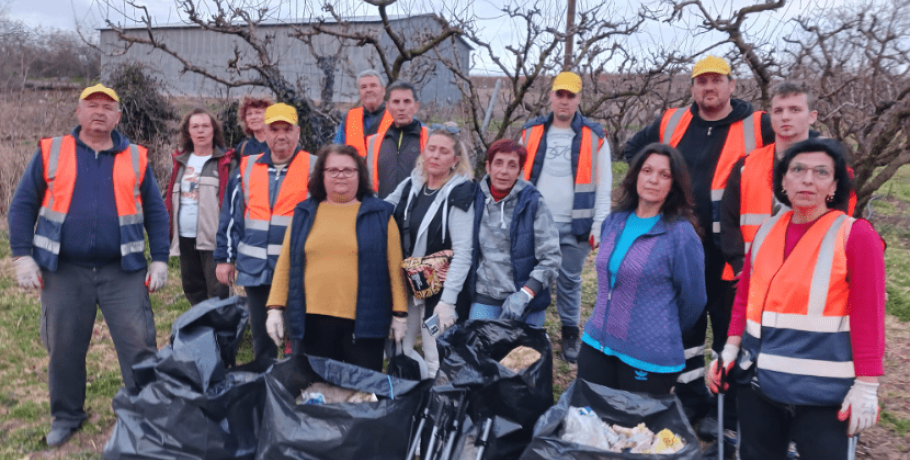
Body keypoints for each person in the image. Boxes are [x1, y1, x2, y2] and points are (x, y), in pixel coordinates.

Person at [7, 84, 169, 447]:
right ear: (78, 112)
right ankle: (67, 416)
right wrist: (22, 256)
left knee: (139, 345)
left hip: (122, 270)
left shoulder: (137, 158)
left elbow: (157, 214)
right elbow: (21, 207)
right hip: (63, 269)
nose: (99, 112)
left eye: (107, 107)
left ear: (118, 117)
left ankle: (144, 416)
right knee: (63, 347)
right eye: (91, 105)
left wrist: (159, 259)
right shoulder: (52, 151)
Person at [709, 138, 885, 460]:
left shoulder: (856, 236)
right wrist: (731, 348)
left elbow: (868, 316)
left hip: (823, 394)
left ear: (834, 186)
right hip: (759, 384)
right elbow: (745, 298)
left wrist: (867, 385)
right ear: (783, 181)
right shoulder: (765, 232)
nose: (807, 179)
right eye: (798, 170)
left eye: (821, 172)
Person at [624, 56, 774, 424]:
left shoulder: (759, 125)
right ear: (693, 87)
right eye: (701, 81)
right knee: (685, 330)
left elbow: (806, 155)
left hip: (732, 253)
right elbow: (634, 151)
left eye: (716, 81)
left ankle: (726, 411)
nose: (709, 88)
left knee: (729, 334)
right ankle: (690, 401)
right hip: (678, 247)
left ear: (731, 85)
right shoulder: (673, 120)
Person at [263, 144, 408, 371]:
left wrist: (400, 314)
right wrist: (275, 309)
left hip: (364, 325)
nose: (340, 175)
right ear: (322, 175)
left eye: (348, 170)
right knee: (314, 391)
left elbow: (395, 267)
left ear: (360, 175)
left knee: (361, 393)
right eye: (333, 170)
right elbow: (285, 264)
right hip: (310, 322)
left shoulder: (380, 215)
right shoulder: (304, 213)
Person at [577, 143, 707, 395]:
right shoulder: (614, 222)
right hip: (597, 343)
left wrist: (660, 328)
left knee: (632, 432)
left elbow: (693, 301)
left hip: (647, 356)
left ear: (674, 184)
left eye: (664, 175)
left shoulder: (680, 235)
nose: (653, 180)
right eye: (647, 170)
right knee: (587, 424)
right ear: (636, 174)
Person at [519, 71, 612, 363]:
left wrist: (599, 224)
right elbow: (516, 176)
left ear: (579, 99)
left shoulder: (595, 137)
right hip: (535, 223)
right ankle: (529, 330)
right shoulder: (530, 132)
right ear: (550, 96)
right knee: (532, 276)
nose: (564, 101)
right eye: (560, 94)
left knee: (570, 280)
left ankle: (570, 330)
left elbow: (605, 184)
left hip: (577, 226)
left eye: (570, 95)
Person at [215, 103, 317, 366]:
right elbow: (230, 217)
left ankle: (298, 386)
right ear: (265, 132)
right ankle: (265, 387)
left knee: (301, 334)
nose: (281, 135)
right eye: (275, 129)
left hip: (299, 270)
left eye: (287, 129)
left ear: (298, 133)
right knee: (263, 337)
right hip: (256, 270)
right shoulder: (246, 168)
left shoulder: (314, 168)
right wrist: (225, 258)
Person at [385, 122, 475, 379]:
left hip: (439, 292)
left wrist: (448, 302)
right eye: (431, 149)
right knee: (399, 346)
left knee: (435, 351)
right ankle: (413, 395)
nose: (435, 155)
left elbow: (463, 252)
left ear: (455, 160)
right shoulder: (411, 185)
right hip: (411, 284)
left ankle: (439, 407)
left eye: (443, 152)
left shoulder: (460, 192)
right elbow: (384, 209)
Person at [467, 139, 561, 327]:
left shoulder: (533, 203)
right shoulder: (473, 198)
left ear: (519, 172)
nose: (503, 171)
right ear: (488, 166)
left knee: (523, 355)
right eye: (498, 163)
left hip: (525, 300)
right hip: (485, 296)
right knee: (480, 352)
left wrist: (526, 293)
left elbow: (551, 258)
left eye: (512, 165)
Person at [164, 108, 233, 305]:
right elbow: (170, 198)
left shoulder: (225, 161)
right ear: (188, 132)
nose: (200, 131)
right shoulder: (179, 161)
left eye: (205, 126)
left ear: (214, 130)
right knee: (192, 289)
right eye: (195, 126)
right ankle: (202, 332)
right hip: (185, 236)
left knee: (218, 291)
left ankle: (221, 334)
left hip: (213, 238)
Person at [364, 80, 429, 199]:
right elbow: (368, 183)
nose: (401, 107)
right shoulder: (374, 142)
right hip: (383, 213)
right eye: (396, 102)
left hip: (418, 214)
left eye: (407, 101)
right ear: (387, 106)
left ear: (416, 106)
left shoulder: (430, 138)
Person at [334, 69, 393, 157]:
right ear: (359, 93)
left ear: (383, 91)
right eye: (363, 87)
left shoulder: (399, 116)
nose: (368, 90)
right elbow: (336, 154)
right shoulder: (349, 119)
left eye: (373, 85)